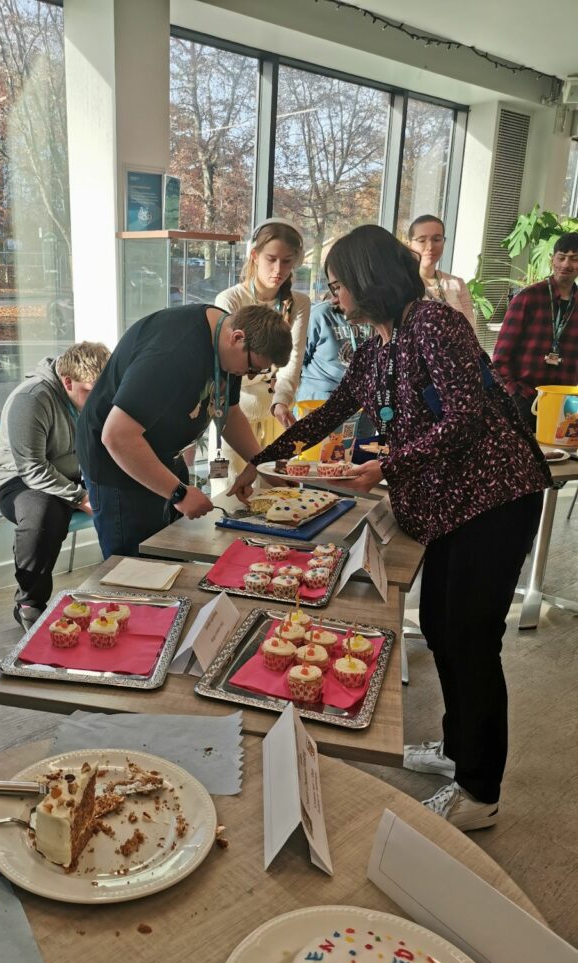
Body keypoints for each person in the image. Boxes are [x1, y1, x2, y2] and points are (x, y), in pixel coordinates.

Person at [231, 224, 550, 833]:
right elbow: (332, 409)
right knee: (440, 627)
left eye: (338, 285)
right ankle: (458, 751)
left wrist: (385, 465)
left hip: (495, 499)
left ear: (368, 279)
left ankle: (480, 791)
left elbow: (466, 416)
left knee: (471, 640)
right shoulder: (380, 345)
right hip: (454, 505)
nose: (334, 297)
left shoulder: (432, 323)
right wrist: (263, 459)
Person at [76, 303, 292, 558]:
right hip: (119, 466)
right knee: (135, 568)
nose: (249, 375)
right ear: (237, 338)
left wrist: (261, 463)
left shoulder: (226, 340)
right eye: (252, 368)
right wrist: (178, 493)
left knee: (171, 554)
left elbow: (229, 413)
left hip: (163, 454)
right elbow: (117, 436)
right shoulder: (173, 352)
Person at [0, 342, 109, 628]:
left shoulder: (92, 390)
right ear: (67, 382)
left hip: (69, 474)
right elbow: (32, 469)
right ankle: (30, 603)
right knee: (45, 512)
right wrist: (81, 498)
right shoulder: (31, 399)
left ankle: (132, 583)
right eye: (92, 391)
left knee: (125, 493)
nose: (100, 400)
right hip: (15, 479)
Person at [215, 219, 310, 460]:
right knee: (230, 490)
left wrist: (281, 401)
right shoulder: (230, 300)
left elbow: (293, 360)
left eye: (287, 261)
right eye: (271, 259)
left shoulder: (299, 303)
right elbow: (227, 368)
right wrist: (266, 375)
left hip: (278, 410)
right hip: (235, 411)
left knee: (278, 488)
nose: (279, 269)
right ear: (255, 256)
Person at [493, 231, 578, 431]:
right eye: (562, 257)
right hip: (526, 399)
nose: (566, 264)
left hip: (565, 405)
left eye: (574, 259)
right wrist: (514, 393)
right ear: (552, 260)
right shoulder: (528, 298)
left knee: (562, 459)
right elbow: (500, 358)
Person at [297, 293, 376, 438]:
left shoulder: (375, 313)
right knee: (320, 457)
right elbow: (297, 361)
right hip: (322, 401)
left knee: (359, 457)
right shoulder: (319, 315)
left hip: (363, 403)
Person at [407, 214, 475, 327]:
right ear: (409, 245)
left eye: (437, 239)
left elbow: (470, 329)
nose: (430, 246)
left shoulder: (456, 284)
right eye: (422, 240)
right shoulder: (401, 285)